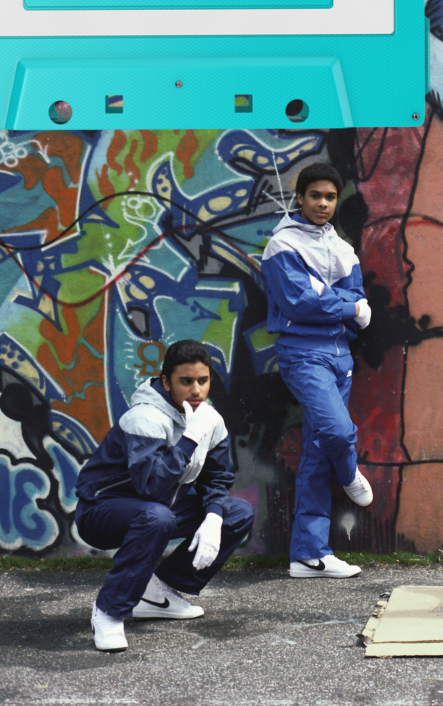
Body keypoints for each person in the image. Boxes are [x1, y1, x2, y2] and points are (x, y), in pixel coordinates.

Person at [74, 339, 256, 652]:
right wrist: (189, 439)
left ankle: (157, 593)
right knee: (156, 517)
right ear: (166, 382)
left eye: (203, 380)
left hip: (159, 508)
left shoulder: (210, 419)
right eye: (186, 382)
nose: (196, 390)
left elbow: (216, 477)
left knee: (236, 512)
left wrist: (213, 518)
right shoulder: (144, 417)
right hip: (100, 512)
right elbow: (152, 486)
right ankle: (108, 611)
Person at [262, 162, 374, 579]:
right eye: (315, 196)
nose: (323, 203)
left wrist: (334, 301)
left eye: (330, 197)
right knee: (338, 433)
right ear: (301, 198)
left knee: (317, 453)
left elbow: (356, 299)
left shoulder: (344, 248)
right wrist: (344, 307)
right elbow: (298, 303)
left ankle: (309, 555)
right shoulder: (282, 245)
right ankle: (350, 476)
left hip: (340, 356)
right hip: (303, 354)